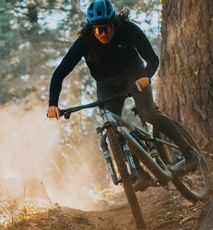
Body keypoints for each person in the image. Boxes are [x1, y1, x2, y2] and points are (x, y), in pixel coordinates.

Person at [47, 0, 198, 191]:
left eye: (107, 29)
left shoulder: (128, 30)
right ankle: (140, 175)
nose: (104, 34)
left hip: (133, 73)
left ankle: (189, 153)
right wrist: (53, 103)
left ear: (114, 24)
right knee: (111, 125)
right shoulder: (83, 42)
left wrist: (145, 76)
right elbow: (59, 73)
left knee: (148, 114)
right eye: (98, 30)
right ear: (91, 29)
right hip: (106, 84)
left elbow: (152, 59)